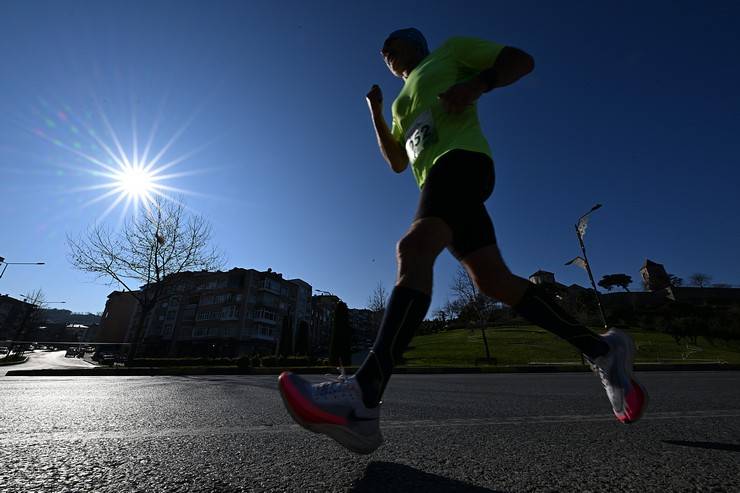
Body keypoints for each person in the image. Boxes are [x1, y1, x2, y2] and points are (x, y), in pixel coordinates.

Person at [279, 28, 647, 455]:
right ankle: (602, 349)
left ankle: (363, 395)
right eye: (381, 53)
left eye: (391, 44)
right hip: (435, 180)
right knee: (493, 281)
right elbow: (398, 161)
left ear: (416, 44)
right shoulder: (399, 103)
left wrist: (477, 84)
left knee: (414, 248)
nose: (384, 53)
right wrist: (375, 111)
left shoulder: (450, 53)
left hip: (463, 162)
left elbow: (521, 60)